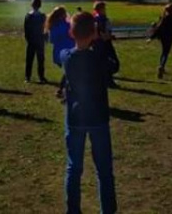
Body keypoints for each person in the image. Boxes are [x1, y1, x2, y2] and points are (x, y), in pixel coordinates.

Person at [61, 11, 118, 214]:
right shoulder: (99, 58)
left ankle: (73, 211)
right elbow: (114, 66)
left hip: (75, 118)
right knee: (104, 171)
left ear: (71, 33)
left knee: (74, 168)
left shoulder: (66, 57)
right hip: (98, 117)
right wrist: (104, 41)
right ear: (94, 33)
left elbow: (64, 53)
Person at [147, 3, 172, 79]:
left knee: (164, 52)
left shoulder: (163, 18)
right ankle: (162, 66)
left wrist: (151, 37)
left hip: (163, 38)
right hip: (170, 38)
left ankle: (162, 66)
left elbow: (157, 29)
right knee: (165, 53)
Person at [46, 6, 74, 99]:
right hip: (67, 51)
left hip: (58, 52)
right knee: (69, 72)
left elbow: (52, 40)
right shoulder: (66, 24)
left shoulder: (53, 25)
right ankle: (62, 91)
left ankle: (62, 91)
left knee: (68, 72)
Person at [92, 0, 120, 89]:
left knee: (105, 64)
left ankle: (106, 80)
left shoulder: (95, 19)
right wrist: (110, 37)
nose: (105, 10)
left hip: (98, 45)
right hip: (103, 45)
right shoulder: (101, 20)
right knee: (112, 64)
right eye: (104, 8)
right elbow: (103, 35)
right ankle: (108, 81)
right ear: (100, 9)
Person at [24, 0, 48, 83]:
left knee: (30, 59)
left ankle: (28, 77)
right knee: (40, 59)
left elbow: (26, 30)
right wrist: (45, 38)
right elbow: (45, 29)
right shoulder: (42, 16)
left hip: (32, 40)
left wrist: (28, 39)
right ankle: (41, 76)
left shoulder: (28, 16)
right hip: (39, 40)